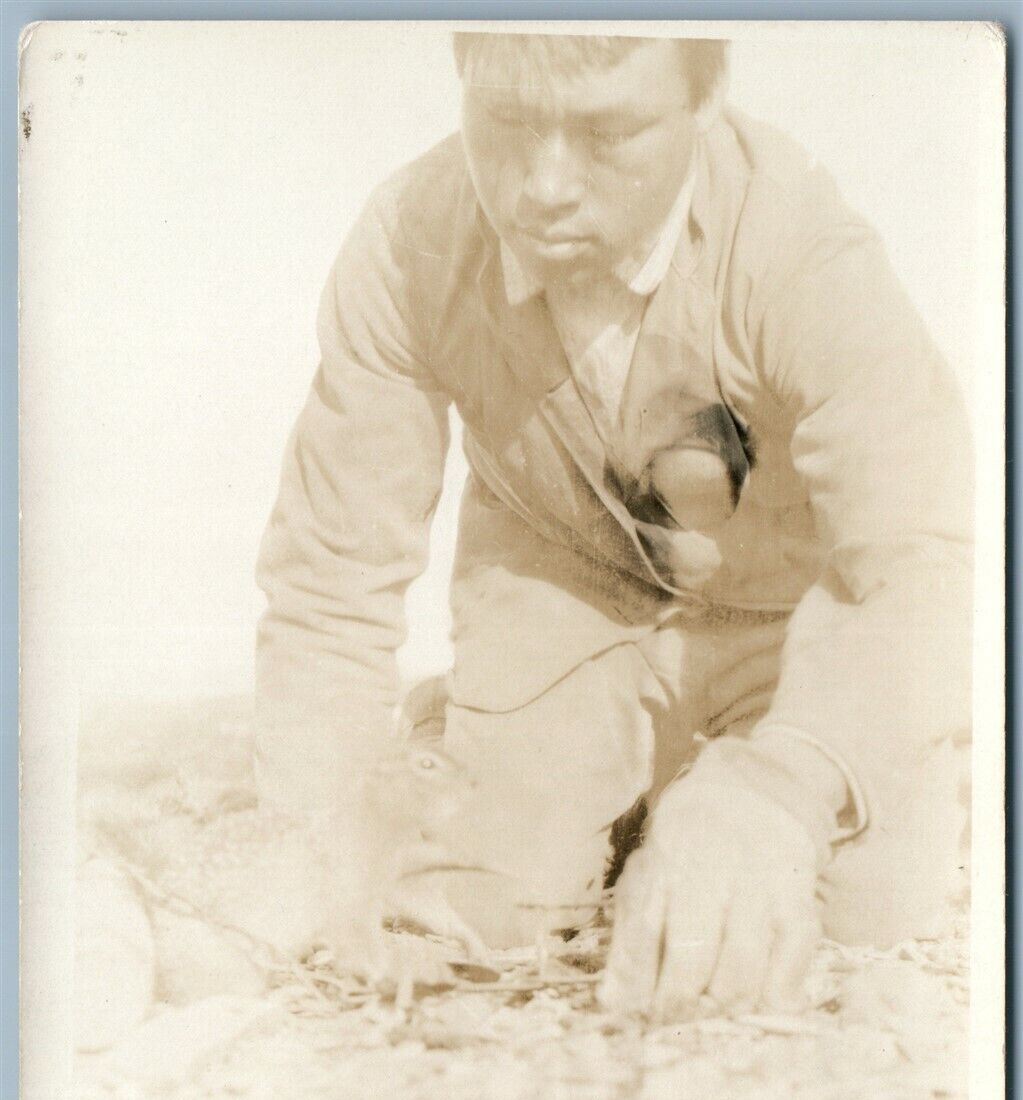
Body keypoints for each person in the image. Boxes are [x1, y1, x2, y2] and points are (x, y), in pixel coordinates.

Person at [254, 32, 972, 1019]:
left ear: (705, 95)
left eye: (606, 133)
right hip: (560, 596)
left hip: (788, 622)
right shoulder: (409, 238)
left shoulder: (804, 249)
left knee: (866, 910)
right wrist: (319, 829)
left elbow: (929, 557)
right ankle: (478, 738)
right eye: (507, 121)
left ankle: (675, 774)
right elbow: (332, 574)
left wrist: (781, 783)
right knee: (475, 907)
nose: (544, 186)